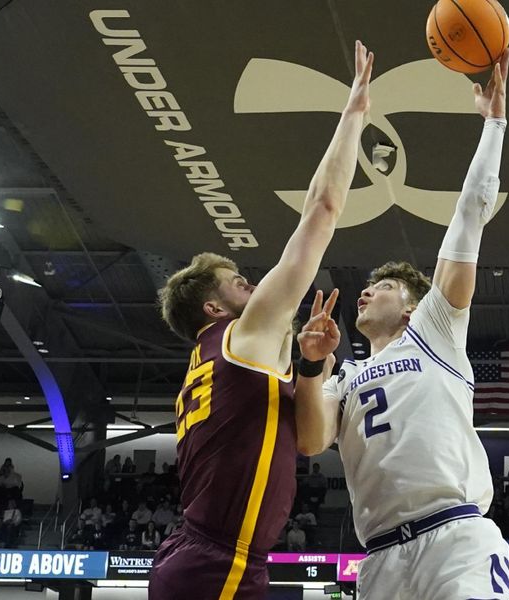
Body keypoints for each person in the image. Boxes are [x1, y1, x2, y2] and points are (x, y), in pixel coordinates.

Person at [148, 40, 375, 600]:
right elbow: (321, 210)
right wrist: (354, 116)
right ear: (212, 307)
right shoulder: (243, 336)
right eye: (235, 283)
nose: (251, 283)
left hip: (209, 555)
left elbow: (308, 444)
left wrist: (310, 366)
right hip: (215, 561)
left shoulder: (218, 360)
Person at [299, 50, 509, 599]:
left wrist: (494, 124)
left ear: (415, 306)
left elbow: (468, 217)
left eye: (385, 287)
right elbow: (310, 439)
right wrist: (311, 364)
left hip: (455, 539)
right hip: (380, 558)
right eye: (367, 288)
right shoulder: (342, 378)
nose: (366, 292)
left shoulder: (434, 331)